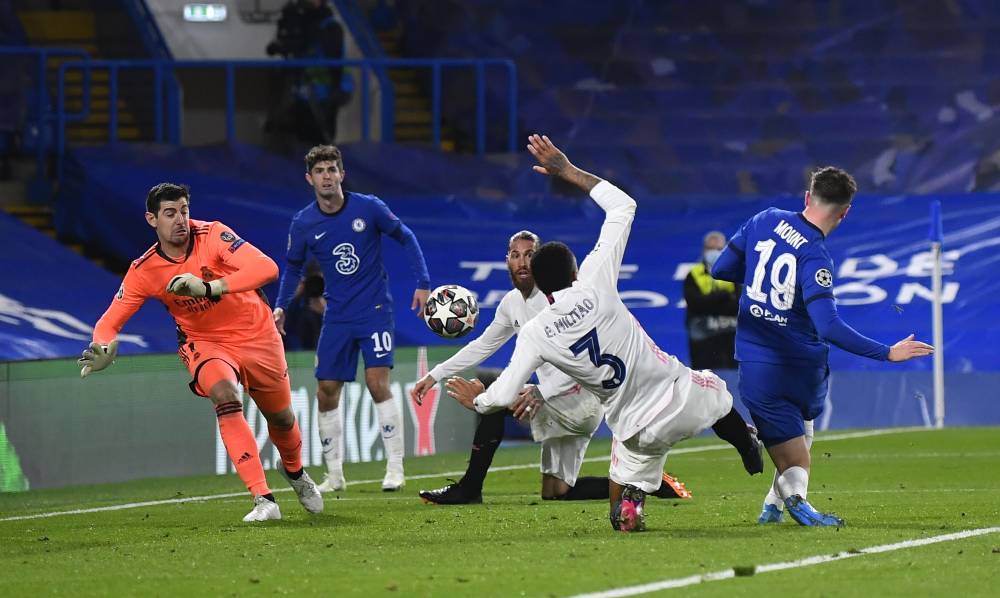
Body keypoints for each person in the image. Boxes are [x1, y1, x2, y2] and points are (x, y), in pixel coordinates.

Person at [446, 135, 764, 532]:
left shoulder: (535, 330)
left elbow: (507, 393)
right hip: (681, 398)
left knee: (625, 491)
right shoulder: (596, 281)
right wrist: (567, 171)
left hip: (633, 429)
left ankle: (630, 506)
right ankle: (745, 442)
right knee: (717, 392)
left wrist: (481, 402)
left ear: (544, 291)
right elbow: (623, 206)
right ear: (576, 271)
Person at [78, 183, 323, 523]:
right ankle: (263, 498)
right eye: (170, 213)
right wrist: (103, 347)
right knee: (225, 396)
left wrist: (210, 287)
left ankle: (294, 472)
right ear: (152, 219)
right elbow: (108, 322)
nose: (180, 220)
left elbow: (267, 268)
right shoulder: (144, 270)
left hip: (257, 333)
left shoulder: (213, 235)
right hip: (206, 342)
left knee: (281, 419)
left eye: (184, 210)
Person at [711, 166, 934, 526]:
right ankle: (789, 500)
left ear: (806, 197)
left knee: (795, 443)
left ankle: (775, 504)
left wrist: (760, 283)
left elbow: (721, 269)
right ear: (844, 213)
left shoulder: (764, 219)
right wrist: (887, 352)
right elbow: (828, 326)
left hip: (756, 361)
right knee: (800, 446)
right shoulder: (815, 257)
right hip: (800, 365)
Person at [411, 231, 691, 505]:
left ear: (539, 260)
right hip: (553, 400)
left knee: (495, 404)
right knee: (557, 492)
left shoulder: (556, 303)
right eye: (515, 255)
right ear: (506, 260)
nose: (522, 262)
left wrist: (537, 391)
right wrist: (435, 374)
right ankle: (644, 484)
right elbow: (484, 345)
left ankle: (469, 489)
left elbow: (580, 363)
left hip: (580, 400)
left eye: (529, 255)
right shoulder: (512, 303)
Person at [274, 145, 430, 492]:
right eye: (320, 171)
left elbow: (405, 236)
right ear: (309, 178)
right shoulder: (304, 223)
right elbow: (293, 267)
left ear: (342, 174)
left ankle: (395, 468)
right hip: (337, 316)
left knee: (377, 384)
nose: (326, 176)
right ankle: (335, 475)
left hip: (374, 310)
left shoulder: (369, 207)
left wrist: (423, 283)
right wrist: (282, 305)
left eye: (332, 169)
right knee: (326, 390)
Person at [684, 231, 739, 370]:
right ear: (704, 250)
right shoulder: (693, 274)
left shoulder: (735, 272)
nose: (714, 252)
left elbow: (739, 304)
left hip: (730, 335)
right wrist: (723, 296)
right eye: (710, 249)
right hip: (703, 335)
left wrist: (709, 303)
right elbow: (694, 303)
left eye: (719, 249)